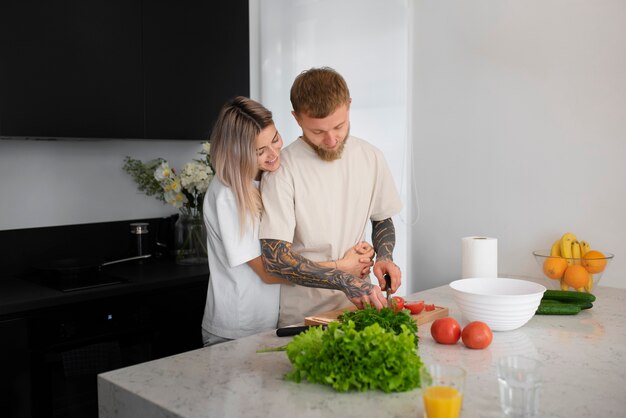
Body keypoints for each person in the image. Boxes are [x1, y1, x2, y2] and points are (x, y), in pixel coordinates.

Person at [201, 96, 374, 346]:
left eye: (275, 139)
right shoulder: (229, 194)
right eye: (260, 151)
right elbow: (269, 272)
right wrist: (342, 267)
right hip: (237, 328)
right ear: (237, 152)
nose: (274, 154)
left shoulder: (265, 179)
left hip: (269, 322)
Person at [259, 67, 404, 327]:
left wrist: (385, 257)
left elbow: (382, 219)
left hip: (362, 306)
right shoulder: (282, 170)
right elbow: (277, 260)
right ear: (296, 119)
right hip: (304, 316)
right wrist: (343, 276)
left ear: (348, 106)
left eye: (339, 126)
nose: (330, 139)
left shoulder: (371, 156)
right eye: (317, 132)